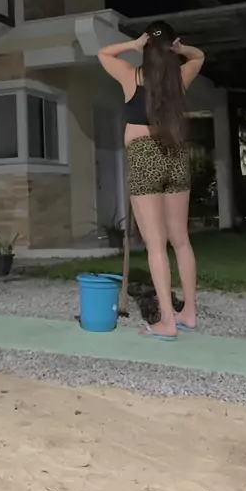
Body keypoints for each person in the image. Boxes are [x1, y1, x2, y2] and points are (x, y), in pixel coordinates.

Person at [98, 20, 205, 341]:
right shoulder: (179, 79)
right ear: (171, 47)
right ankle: (189, 313)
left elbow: (103, 53)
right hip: (175, 153)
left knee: (156, 244)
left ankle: (167, 322)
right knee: (181, 240)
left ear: (146, 46)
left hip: (145, 157)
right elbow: (199, 56)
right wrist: (181, 49)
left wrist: (132, 45)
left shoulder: (131, 76)